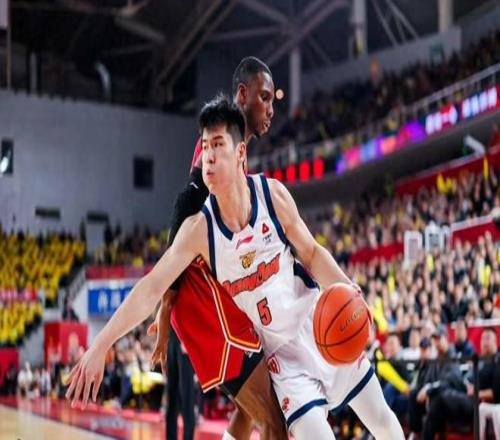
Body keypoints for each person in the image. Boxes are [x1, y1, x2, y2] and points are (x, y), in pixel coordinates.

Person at [65, 96, 403, 439]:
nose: (208, 156)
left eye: (218, 145)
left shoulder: (272, 195)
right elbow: (151, 287)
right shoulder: (199, 230)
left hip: (317, 322)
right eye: (205, 146)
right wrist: (101, 344)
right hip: (283, 363)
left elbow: (313, 254)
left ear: (240, 152)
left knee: (384, 422)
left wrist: (350, 290)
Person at [147, 56, 285, 440]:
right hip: (200, 298)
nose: (271, 108)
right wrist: (166, 308)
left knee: (247, 412)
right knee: (274, 417)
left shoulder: (235, 148)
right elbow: (184, 207)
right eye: (264, 98)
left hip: (210, 295)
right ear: (242, 94)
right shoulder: (218, 142)